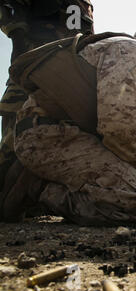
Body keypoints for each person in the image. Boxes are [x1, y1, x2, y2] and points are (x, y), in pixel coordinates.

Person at [7, 10, 136, 226]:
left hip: (66, 134)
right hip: (48, 137)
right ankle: (38, 187)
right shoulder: (131, 53)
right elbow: (119, 126)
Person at [0, 0, 94, 218]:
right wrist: (19, 44)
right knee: (16, 134)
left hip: (66, 70)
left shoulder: (86, 4)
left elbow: (85, 36)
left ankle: (25, 202)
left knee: (49, 132)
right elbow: (11, 6)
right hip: (35, 61)